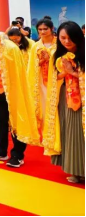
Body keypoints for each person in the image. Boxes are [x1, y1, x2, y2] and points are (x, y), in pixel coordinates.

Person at [0, 22, 40, 168]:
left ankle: (17, 155)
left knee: (17, 122)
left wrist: (14, 93)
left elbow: (18, 74)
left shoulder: (10, 49)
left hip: (13, 91)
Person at [45, 21, 85, 184]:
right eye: (63, 38)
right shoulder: (57, 55)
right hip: (65, 98)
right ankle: (75, 170)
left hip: (82, 99)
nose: (66, 42)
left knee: (80, 134)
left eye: (70, 38)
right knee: (69, 133)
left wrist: (73, 73)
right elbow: (52, 77)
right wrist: (64, 72)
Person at [27, 18, 57, 127]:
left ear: (52, 29)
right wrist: (42, 61)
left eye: (45, 29)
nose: (43, 31)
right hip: (40, 80)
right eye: (40, 29)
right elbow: (32, 65)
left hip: (56, 80)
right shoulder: (36, 46)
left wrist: (50, 59)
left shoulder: (59, 44)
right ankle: (46, 132)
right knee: (44, 105)